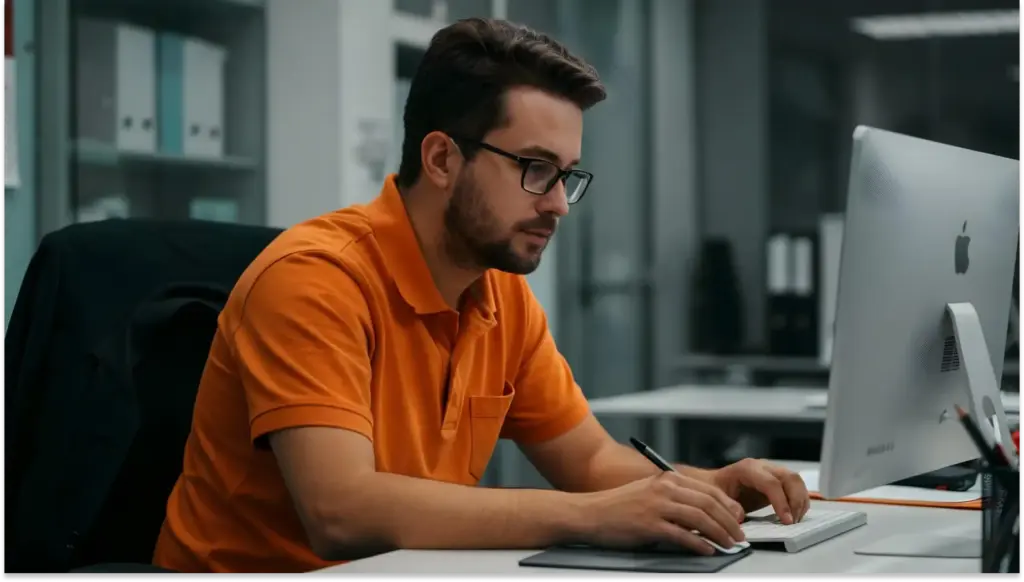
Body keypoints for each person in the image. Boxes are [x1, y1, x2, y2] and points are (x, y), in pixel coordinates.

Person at [153, 17, 810, 574]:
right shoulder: (314, 279)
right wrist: (594, 517)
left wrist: (711, 489)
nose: (558, 204)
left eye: (567, 175)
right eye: (535, 170)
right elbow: (340, 513)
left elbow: (587, 459)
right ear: (441, 160)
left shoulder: (501, 298)